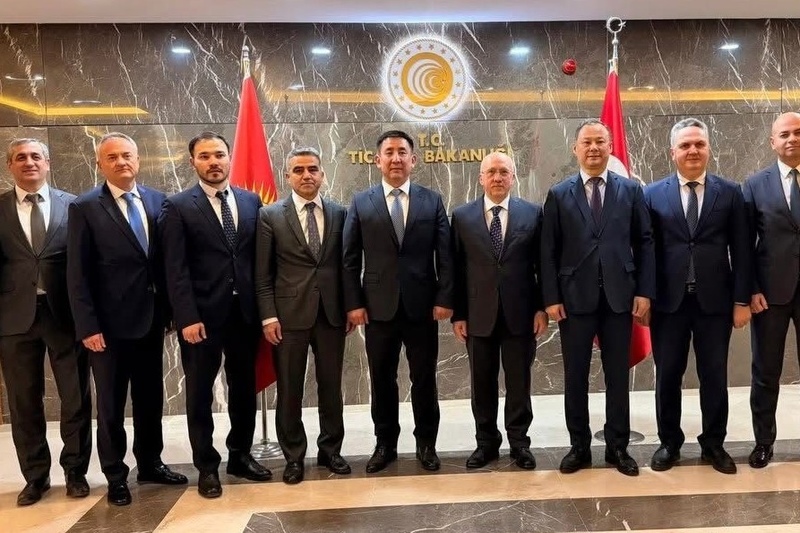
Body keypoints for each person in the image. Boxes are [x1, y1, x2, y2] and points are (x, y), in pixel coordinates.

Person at [67, 132, 187, 506]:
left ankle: (150, 463)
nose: (121, 162)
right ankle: (115, 475)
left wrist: (171, 313)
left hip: (151, 322)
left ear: (138, 159)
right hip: (107, 329)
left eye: (127, 155)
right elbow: (77, 274)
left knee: (150, 399)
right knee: (111, 406)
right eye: (112, 157)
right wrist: (88, 326)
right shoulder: (86, 207)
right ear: (99, 164)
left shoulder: (158, 201)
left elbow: (167, 263)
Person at [540, 119, 655, 477]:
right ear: (575, 149)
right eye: (587, 142)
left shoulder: (630, 190)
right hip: (574, 300)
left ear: (610, 147)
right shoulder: (559, 194)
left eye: (600, 142)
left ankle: (618, 447)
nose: (593, 148)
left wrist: (644, 291)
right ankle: (579, 447)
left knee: (617, 376)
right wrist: (551, 297)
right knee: (575, 376)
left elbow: (645, 242)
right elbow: (548, 251)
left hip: (620, 298)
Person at [158, 132, 270, 498]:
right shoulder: (178, 206)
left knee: (244, 389)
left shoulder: (251, 201)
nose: (213, 162)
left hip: (244, 315)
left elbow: (256, 260)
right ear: (193, 162)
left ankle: (240, 455)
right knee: (199, 394)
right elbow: (174, 269)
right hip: (201, 319)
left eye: (219, 154)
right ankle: (206, 465)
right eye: (204, 156)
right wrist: (186, 317)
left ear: (229, 158)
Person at [343, 130, 454, 473]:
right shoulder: (361, 202)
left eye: (402, 152)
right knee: (382, 379)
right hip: (378, 308)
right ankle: (385, 444)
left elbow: (446, 255)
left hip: (423, 307)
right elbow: (349, 258)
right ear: (377, 160)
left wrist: (444, 297)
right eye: (389, 152)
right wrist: (354, 303)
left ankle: (426, 444)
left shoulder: (431, 200)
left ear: (413, 159)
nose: (395, 158)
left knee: (424, 379)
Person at [644, 118, 751, 474]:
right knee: (668, 377)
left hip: (715, 303)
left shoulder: (730, 193)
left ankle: (713, 444)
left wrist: (741, 300)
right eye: (685, 145)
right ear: (672, 152)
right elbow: (645, 251)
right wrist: (644, 297)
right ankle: (669, 443)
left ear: (709, 149)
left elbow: (742, 250)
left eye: (699, 144)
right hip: (667, 303)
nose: (693, 150)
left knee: (714, 376)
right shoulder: (651, 194)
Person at [0, 139, 92, 506]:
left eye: (35, 156)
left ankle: (76, 472)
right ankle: (35, 477)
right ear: (10, 166)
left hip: (65, 315)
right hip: (13, 318)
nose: (29, 162)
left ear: (48, 163)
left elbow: (86, 262)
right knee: (24, 402)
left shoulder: (75, 206)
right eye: (20, 157)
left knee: (76, 397)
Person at [255, 147, 352, 484]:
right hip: (288, 318)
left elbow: (347, 266)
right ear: (287, 176)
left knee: (331, 387)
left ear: (322, 174)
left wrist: (350, 307)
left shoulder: (340, 213)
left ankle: (331, 451)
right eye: (298, 170)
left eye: (312, 169)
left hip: (331, 316)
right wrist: (268, 317)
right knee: (290, 389)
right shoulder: (270, 215)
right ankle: (294, 456)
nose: (306, 175)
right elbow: (262, 273)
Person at [450, 152, 547, 470]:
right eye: (491, 172)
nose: (497, 177)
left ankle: (519, 444)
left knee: (519, 384)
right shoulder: (462, 217)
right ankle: (486, 443)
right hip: (477, 315)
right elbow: (456, 269)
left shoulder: (532, 214)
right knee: (482, 384)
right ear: (481, 178)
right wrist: (458, 314)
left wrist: (540, 308)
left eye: (504, 172)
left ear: (513, 177)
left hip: (521, 315)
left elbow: (542, 266)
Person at [744, 111, 800, 468]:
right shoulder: (754, 184)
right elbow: (744, 243)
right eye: (785, 134)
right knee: (765, 373)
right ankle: (764, 442)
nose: (792, 139)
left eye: (798, 132)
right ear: (772, 142)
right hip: (769, 294)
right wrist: (750, 288)